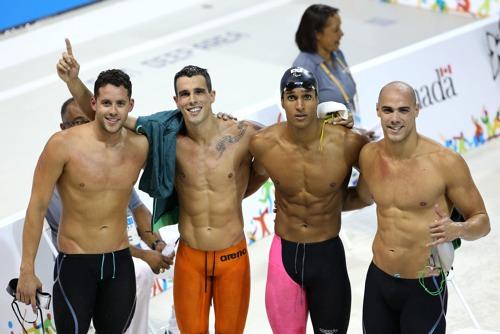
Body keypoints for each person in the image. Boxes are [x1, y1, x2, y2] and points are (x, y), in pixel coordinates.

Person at [56, 40, 267, 333]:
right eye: (184, 94)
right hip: (191, 258)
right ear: (176, 100)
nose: (192, 99)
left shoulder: (242, 133)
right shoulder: (167, 138)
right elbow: (105, 115)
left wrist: (240, 189)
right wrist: (73, 81)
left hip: (233, 256)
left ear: (212, 95)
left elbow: (280, 148)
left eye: (198, 92)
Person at [16, 69, 167, 334]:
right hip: (76, 263)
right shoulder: (62, 145)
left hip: (119, 263)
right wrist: (27, 269)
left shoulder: (139, 147)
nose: (113, 111)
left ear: (130, 106)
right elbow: (36, 207)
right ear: (93, 104)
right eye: (106, 103)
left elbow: (182, 141)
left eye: (120, 103)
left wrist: (155, 241)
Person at [346, 81, 490, 333]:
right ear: (378, 110)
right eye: (388, 110)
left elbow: (482, 221)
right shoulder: (369, 155)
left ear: (416, 110)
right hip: (379, 280)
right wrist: (307, 206)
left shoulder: (445, 163)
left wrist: (457, 229)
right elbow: (361, 198)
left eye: (403, 110)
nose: (395, 118)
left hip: (424, 285)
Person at [249, 67, 368, 334]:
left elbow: (366, 194)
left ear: (317, 99)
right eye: (292, 97)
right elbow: (243, 183)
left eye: (307, 96)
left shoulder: (348, 142)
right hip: (284, 255)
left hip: (328, 256)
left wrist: (331, 202)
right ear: (282, 101)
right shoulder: (264, 143)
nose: (300, 105)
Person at [293, 5, 357, 120]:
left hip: (350, 128)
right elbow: (304, 115)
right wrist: (342, 119)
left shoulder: (337, 55)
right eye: (336, 30)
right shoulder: (304, 67)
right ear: (317, 34)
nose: (341, 34)